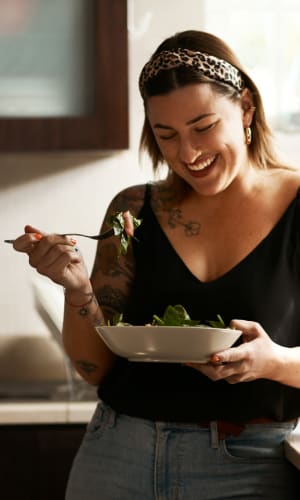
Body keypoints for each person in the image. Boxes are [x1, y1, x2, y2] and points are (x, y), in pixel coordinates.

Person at [11, 30, 300, 499]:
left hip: (248, 467)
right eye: (167, 136)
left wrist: (274, 361)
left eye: (204, 127)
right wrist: (76, 288)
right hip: (116, 454)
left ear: (245, 107)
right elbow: (95, 369)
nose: (188, 154)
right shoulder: (133, 210)